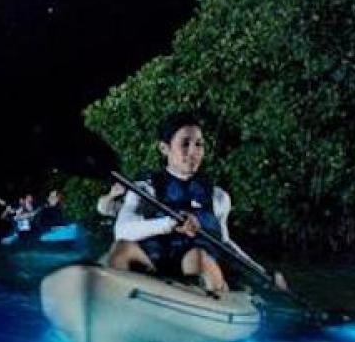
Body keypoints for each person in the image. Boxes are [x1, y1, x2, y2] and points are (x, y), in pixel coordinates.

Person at [107, 112, 287, 294]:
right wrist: (170, 224)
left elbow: (225, 244)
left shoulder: (218, 197)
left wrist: (263, 275)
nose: (193, 152)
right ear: (164, 148)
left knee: (198, 257)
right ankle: (118, 300)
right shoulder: (145, 189)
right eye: (185, 144)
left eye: (199, 144)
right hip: (155, 263)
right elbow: (121, 231)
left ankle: (215, 297)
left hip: (196, 267)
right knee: (121, 248)